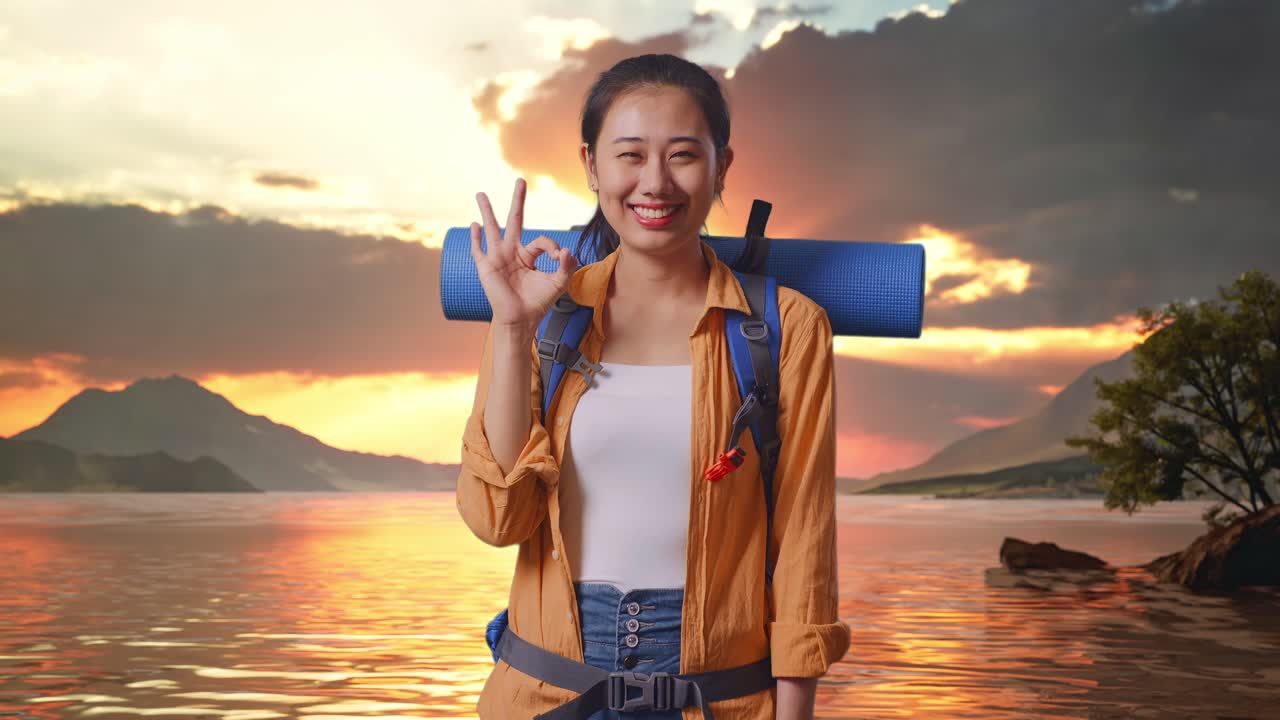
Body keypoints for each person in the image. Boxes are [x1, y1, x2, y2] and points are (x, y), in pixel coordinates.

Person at [456, 53, 850, 720]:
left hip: (721, 698)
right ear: (591, 165)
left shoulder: (788, 329)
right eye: (630, 154)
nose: (655, 183)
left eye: (683, 156)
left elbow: (804, 544)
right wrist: (512, 327)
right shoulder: (541, 316)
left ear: (722, 165)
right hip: (542, 693)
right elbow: (499, 520)